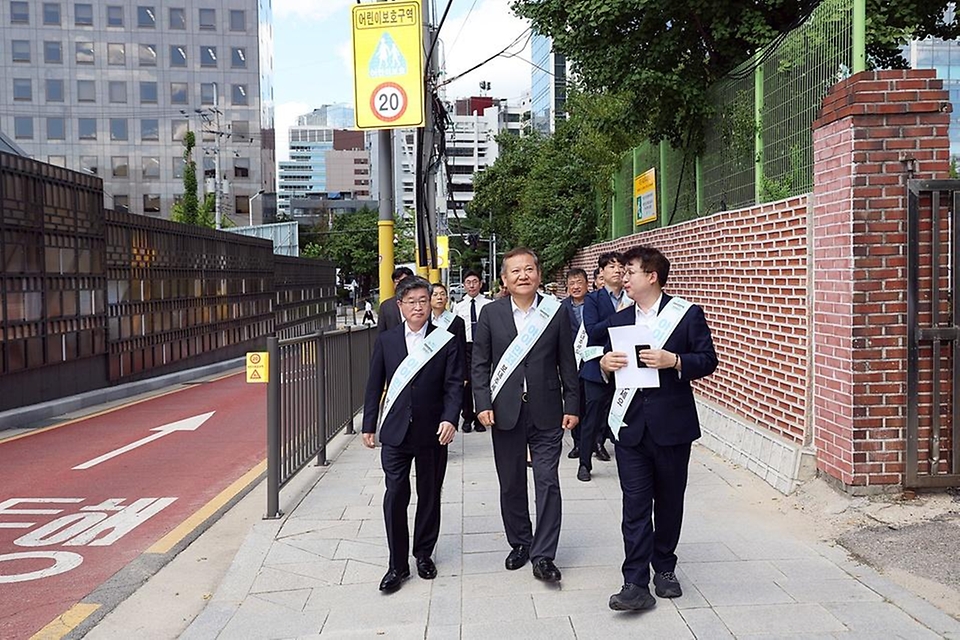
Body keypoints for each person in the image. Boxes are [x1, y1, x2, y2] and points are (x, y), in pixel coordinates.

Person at [599, 245, 717, 611]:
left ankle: (664, 567)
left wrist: (675, 360)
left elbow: (707, 359)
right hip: (630, 427)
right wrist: (604, 364)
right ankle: (634, 580)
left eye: (630, 271)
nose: (624, 278)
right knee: (634, 505)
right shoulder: (618, 320)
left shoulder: (686, 315)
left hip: (672, 426)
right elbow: (596, 363)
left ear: (652, 276)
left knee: (669, 502)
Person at [471, 248, 579, 583]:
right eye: (515, 271)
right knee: (512, 482)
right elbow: (479, 363)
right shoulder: (491, 313)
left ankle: (544, 554)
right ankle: (520, 542)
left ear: (539, 274)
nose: (523, 275)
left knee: (547, 481)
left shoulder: (555, 312)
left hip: (547, 411)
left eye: (529, 269)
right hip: (505, 411)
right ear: (504, 279)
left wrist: (572, 404)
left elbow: (567, 361)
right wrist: (482, 403)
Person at [362, 276, 463, 593]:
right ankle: (397, 564)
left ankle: (423, 554)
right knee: (395, 496)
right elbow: (374, 381)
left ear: (431, 302)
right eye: (412, 301)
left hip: (432, 431)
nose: (418, 306)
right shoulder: (388, 340)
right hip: (394, 431)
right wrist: (369, 423)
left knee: (430, 494)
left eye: (423, 300)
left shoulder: (445, 340)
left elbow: (453, 385)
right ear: (400, 305)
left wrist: (450, 419)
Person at [578, 252, 626, 481]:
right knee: (593, 415)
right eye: (612, 266)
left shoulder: (632, 297)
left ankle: (625, 458)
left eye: (620, 266)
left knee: (625, 413)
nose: (617, 270)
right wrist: (618, 317)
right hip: (598, 366)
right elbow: (593, 330)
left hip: (627, 366)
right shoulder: (593, 299)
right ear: (602, 273)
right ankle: (584, 463)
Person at [452, 270, 491, 433]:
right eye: (468, 282)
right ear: (464, 285)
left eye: (475, 281)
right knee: (466, 384)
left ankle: (480, 417)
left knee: (482, 382)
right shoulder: (458, 306)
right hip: (466, 347)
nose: (472, 285)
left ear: (480, 283)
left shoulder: (489, 304)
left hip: (484, 346)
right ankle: (467, 416)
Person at [560, 268, 589, 461]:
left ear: (588, 284)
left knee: (594, 403)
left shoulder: (596, 304)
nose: (576, 287)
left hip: (593, 361)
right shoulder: (561, 307)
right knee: (574, 401)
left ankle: (596, 441)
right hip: (571, 362)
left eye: (579, 282)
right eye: (572, 283)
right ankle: (578, 443)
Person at [429, 282, 467, 382]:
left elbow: (461, 349)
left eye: (442, 294)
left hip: (450, 368)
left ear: (447, 298)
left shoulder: (457, 322)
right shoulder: (424, 321)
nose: (439, 297)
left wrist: (464, 375)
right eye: (435, 294)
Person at [377, 266, 414, 333]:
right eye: (396, 281)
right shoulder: (386, 306)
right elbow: (381, 332)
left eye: (403, 281)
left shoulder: (421, 304)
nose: (399, 284)